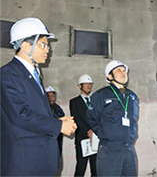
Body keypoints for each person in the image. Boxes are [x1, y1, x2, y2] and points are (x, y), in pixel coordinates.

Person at [0, 17, 77, 176]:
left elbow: (34, 111)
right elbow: (20, 114)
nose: (47, 50)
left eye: (47, 45)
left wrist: (56, 121)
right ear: (25, 46)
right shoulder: (8, 74)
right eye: (43, 44)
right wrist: (58, 126)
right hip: (24, 163)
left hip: (39, 160)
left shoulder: (32, 74)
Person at [87, 60, 139, 177]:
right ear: (110, 76)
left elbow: (133, 119)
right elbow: (91, 117)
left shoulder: (132, 96)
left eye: (124, 70)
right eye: (118, 70)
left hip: (128, 149)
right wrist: (104, 134)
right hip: (109, 150)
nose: (123, 72)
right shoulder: (101, 95)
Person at [69, 74, 97, 177]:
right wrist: (88, 131)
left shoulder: (94, 101)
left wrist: (95, 131)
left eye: (90, 84)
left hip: (95, 138)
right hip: (82, 138)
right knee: (81, 166)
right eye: (86, 84)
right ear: (80, 86)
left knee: (95, 168)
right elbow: (76, 118)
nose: (88, 86)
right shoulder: (74, 102)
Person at [45, 85, 65, 155]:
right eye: (48, 96)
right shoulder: (43, 109)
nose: (51, 98)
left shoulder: (57, 108)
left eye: (52, 96)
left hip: (57, 138)